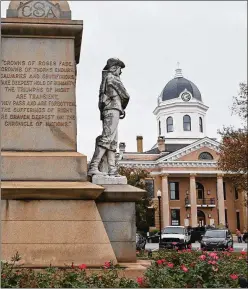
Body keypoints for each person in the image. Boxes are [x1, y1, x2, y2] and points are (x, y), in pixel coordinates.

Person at [88, 58, 130, 176]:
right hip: (112, 109)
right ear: (114, 68)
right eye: (119, 69)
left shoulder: (107, 78)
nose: (120, 72)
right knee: (107, 138)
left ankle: (112, 169)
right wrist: (122, 106)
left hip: (112, 109)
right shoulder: (112, 78)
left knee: (112, 141)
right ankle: (94, 166)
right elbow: (126, 95)